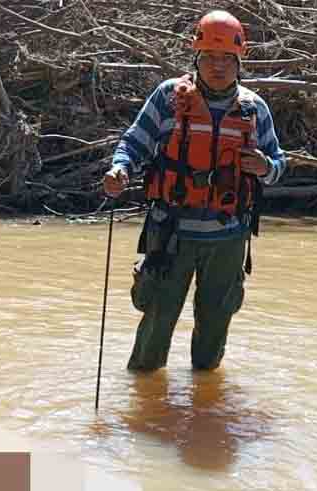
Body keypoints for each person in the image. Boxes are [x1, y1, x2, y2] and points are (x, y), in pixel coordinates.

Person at [103, 10, 286, 372]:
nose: (217, 66)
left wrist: (265, 167)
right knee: (154, 331)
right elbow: (133, 144)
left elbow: (279, 165)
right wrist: (119, 169)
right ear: (196, 59)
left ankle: (203, 409)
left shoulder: (254, 109)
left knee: (212, 337)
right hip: (171, 233)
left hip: (228, 238)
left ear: (239, 61)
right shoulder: (167, 97)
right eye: (209, 58)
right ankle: (143, 405)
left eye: (226, 59)